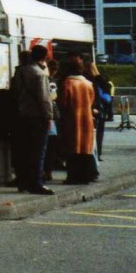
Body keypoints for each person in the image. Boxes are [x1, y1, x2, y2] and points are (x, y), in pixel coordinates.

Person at [12, 45, 55, 195]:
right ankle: (36, 183)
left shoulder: (21, 72)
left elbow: (15, 92)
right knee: (38, 151)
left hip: (21, 115)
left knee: (24, 150)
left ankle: (23, 182)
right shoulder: (40, 74)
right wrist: (49, 116)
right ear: (44, 57)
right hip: (37, 116)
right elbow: (44, 98)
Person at [58, 56, 98, 184]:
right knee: (85, 148)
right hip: (86, 119)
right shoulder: (88, 83)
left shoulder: (68, 83)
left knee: (72, 147)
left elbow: (63, 102)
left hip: (72, 119)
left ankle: (73, 177)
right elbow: (91, 101)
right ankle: (85, 176)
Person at [86, 58, 113, 160]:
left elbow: (107, 87)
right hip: (98, 109)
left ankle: (97, 153)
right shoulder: (93, 79)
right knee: (97, 133)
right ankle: (96, 153)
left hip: (98, 109)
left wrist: (96, 74)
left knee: (96, 133)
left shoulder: (97, 79)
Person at [43, 58, 60, 183]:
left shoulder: (45, 81)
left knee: (45, 146)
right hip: (52, 117)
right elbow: (54, 98)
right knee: (50, 146)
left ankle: (45, 171)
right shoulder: (52, 83)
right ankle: (48, 171)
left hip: (47, 116)